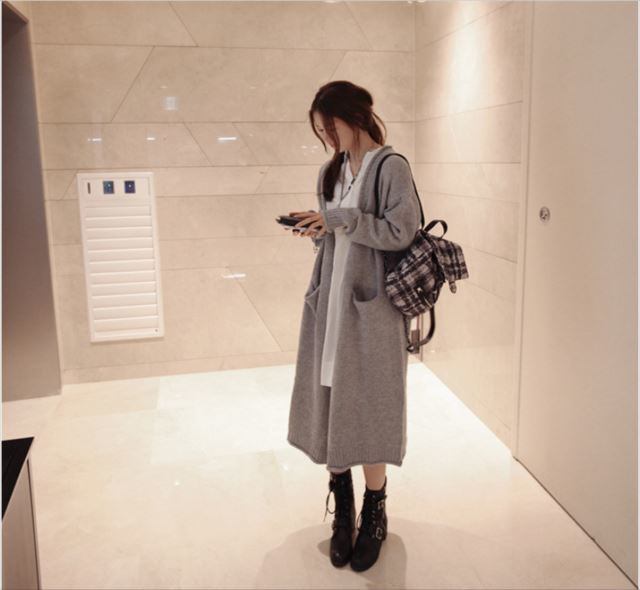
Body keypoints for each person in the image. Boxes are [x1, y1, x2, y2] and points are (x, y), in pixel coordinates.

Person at [285, 81, 421, 572]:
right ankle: (342, 508)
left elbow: (401, 231)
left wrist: (339, 219)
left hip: (370, 309)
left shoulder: (390, 167)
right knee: (330, 398)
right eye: (321, 129)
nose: (327, 136)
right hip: (330, 303)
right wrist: (316, 226)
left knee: (369, 403)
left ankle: (375, 511)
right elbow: (336, 234)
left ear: (355, 116)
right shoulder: (332, 170)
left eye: (330, 125)